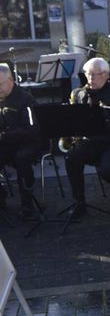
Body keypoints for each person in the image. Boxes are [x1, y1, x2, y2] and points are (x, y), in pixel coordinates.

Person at [63, 57, 110, 218]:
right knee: (71, 158)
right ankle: (79, 203)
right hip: (92, 140)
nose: (91, 78)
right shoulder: (79, 93)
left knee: (107, 170)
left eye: (96, 74)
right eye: (88, 74)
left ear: (106, 75)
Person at [0, 63, 42, 219]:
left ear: (11, 80)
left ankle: (27, 204)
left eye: (0, 84)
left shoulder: (26, 99)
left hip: (29, 142)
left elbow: (32, 131)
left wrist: (3, 136)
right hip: (6, 142)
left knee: (21, 159)